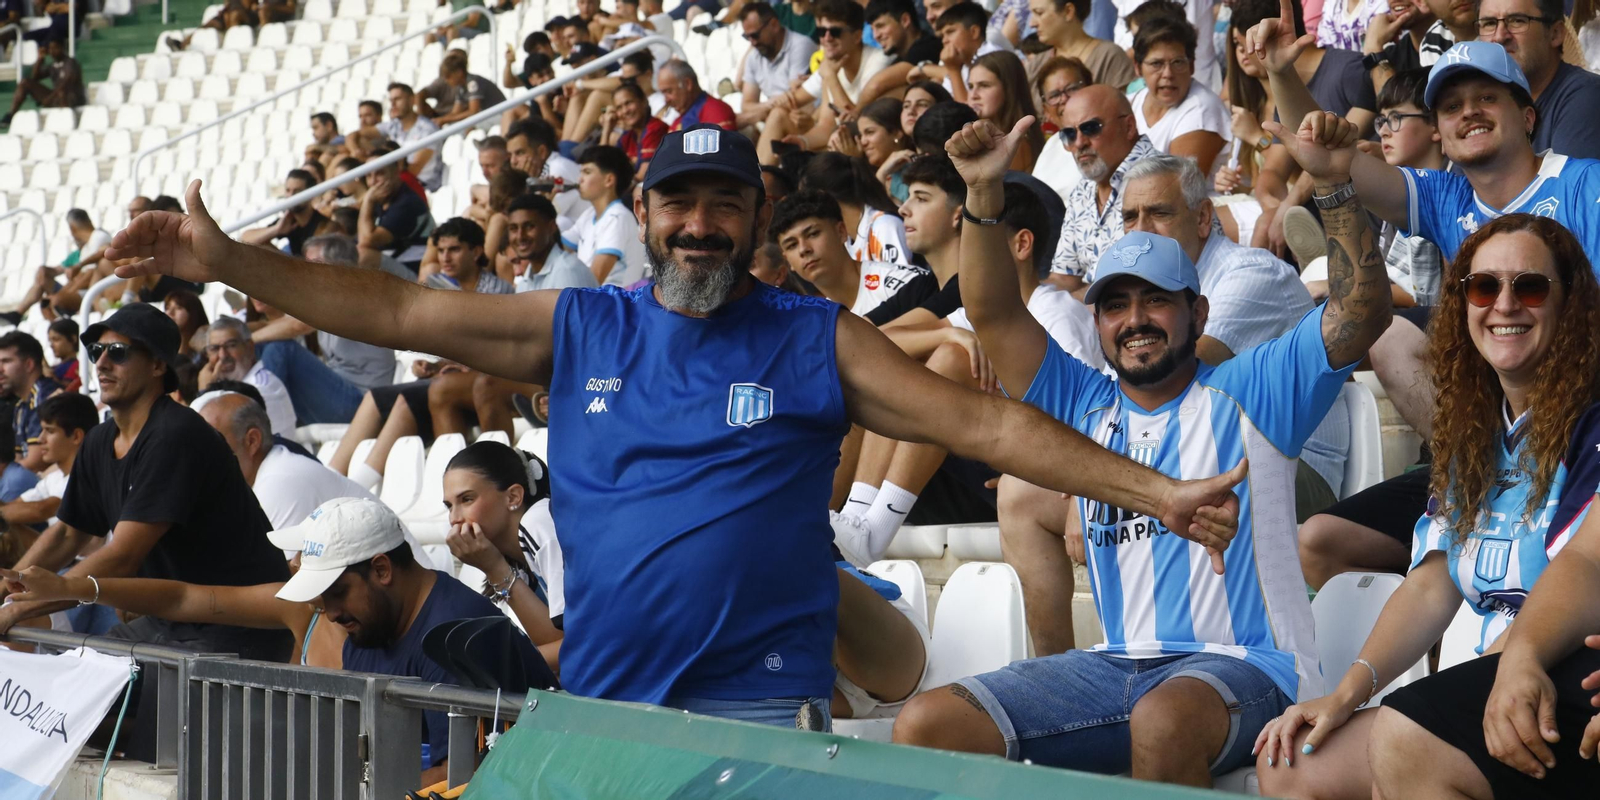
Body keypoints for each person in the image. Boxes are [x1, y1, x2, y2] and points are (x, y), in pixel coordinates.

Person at [99, 124, 1248, 727]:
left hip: (758, 710)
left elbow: (985, 428)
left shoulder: (815, 336)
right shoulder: (582, 327)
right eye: (679, 204)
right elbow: (398, 305)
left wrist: (1158, 492)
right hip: (603, 706)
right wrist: (232, 262)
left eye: (724, 205)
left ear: (751, 217)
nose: (700, 225)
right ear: (645, 215)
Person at [890, 109, 1393, 788]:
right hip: (1115, 668)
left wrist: (1333, 186)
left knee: (1162, 716)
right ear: (1094, 319)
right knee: (925, 727)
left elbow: (1362, 310)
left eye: (1155, 301)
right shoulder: (1081, 402)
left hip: (1252, 670)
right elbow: (994, 313)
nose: (1134, 320)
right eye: (1115, 305)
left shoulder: (1256, 387)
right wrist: (982, 197)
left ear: (1199, 314)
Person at [1254, 211, 1600, 797]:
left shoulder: (1590, 425)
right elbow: (1430, 583)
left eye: (1531, 286)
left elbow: (1585, 570)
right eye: (1485, 286)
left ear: (1570, 306)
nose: (1505, 304)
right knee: (1290, 762)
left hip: (1562, 673)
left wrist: (1505, 666)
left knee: (1409, 738)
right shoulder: (1475, 433)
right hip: (1488, 678)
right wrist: (1345, 694)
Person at [0, 304, 294, 750]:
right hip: (169, 621)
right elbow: (67, 533)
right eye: (96, 350)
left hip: (235, 630)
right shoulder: (101, 438)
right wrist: (11, 585)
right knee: (62, 704)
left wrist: (38, 595)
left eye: (118, 351)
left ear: (158, 364)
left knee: (150, 749)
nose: (100, 361)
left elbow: (124, 554)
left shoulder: (176, 434)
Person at [252, 235, 397, 425]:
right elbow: (283, 323)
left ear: (338, 266)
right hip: (340, 394)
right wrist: (240, 337)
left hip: (363, 404)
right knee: (261, 347)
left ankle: (258, 419)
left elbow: (298, 325)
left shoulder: (357, 294)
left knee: (282, 348)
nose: (306, 270)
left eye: (314, 263)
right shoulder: (327, 297)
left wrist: (248, 339)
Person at [442, 442, 563, 664]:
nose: (454, 518)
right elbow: (555, 643)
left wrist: (508, 665)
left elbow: (575, 648)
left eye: (467, 499)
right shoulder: (513, 555)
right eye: (449, 505)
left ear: (513, 497)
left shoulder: (539, 522)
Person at [1048, 84, 1158, 297]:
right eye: (1069, 134)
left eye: (1091, 128)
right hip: (1089, 313)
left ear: (1128, 127)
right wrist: (1030, 303)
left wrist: (1058, 310)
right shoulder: (1083, 188)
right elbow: (1063, 277)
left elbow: (1134, 281)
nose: (1079, 143)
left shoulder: (1160, 179)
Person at [759, 0, 893, 162]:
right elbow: (825, 125)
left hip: (861, 148)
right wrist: (802, 141)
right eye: (822, 31)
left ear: (857, 36)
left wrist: (830, 76)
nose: (827, 38)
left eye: (835, 32)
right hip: (835, 142)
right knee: (778, 115)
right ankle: (758, 181)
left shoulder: (878, 61)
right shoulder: (830, 64)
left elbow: (853, 120)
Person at [771, 190, 933, 316]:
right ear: (787, 261)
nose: (803, 249)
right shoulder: (818, 323)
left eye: (813, 234)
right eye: (792, 245)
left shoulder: (902, 285)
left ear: (841, 232)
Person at [1478, 0, 1600, 160]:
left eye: (1517, 21)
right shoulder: (1474, 106)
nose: (1499, 36)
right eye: (1489, 23)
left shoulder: (1588, 96)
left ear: (1555, 33)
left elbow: (1565, 184)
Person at [1130, 19, 1229, 178]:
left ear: (1191, 66)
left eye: (1177, 62)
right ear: (1138, 67)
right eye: (1156, 64)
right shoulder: (1133, 100)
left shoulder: (1202, 110)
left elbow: (1177, 189)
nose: (1168, 74)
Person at [0, 392, 95, 537]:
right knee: (9, 527)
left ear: (76, 436)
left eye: (49, 431)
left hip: (84, 559)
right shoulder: (54, 479)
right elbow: (12, 506)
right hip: (63, 556)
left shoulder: (90, 476)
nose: (40, 439)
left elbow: (41, 510)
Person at [800, 152, 912, 266]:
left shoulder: (884, 227)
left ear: (822, 196)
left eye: (809, 201)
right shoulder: (844, 240)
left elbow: (908, 282)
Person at [199, 316, 297, 434]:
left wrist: (205, 391)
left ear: (249, 347)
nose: (223, 355)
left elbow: (208, 435)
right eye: (214, 348)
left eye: (231, 345)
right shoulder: (231, 387)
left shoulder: (263, 387)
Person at [566, 146, 648, 286]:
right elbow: (552, 249)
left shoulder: (617, 218)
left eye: (587, 172)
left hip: (615, 303)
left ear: (609, 180)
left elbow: (593, 281)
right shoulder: (588, 215)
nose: (580, 179)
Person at [737, 1, 819, 129]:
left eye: (755, 35)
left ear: (774, 25)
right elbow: (746, 104)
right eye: (746, 37)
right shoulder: (754, 57)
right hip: (772, 116)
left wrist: (756, 113)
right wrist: (769, 105)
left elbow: (795, 99)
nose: (752, 43)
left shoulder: (800, 46)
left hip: (803, 119)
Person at [1026, 0, 1137, 91]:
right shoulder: (1036, 64)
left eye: (1039, 13)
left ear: (1068, 11)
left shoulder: (1109, 57)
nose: (1032, 23)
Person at [358, 147, 436, 274]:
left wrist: (368, 201)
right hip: (396, 263)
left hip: (415, 273)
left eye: (380, 173)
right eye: (368, 175)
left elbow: (366, 241)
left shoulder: (407, 203)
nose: (373, 182)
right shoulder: (383, 198)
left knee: (364, 256)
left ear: (396, 172)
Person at [967, 51, 1046, 171]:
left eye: (984, 85)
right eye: (971, 86)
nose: (973, 95)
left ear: (1009, 90)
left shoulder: (1019, 144)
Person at [1030, 56, 1092, 201]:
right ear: (1046, 110)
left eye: (1072, 89)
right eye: (1055, 95)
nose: (1064, 99)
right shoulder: (1052, 144)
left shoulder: (1106, 135)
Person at [505, 194, 598, 291]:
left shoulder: (567, 271)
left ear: (551, 227)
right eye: (513, 228)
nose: (520, 236)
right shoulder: (524, 283)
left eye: (529, 226)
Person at [0, 331, 63, 474]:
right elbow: (19, 458)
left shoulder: (45, 396)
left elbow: (35, 462)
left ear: (29, 365)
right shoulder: (21, 404)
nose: (0, 369)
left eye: (6, 361)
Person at [241, 169, 329, 257]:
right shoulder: (288, 220)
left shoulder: (326, 226)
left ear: (310, 194)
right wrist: (276, 229)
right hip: (295, 267)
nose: (291, 196)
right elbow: (246, 239)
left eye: (297, 191)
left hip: (314, 268)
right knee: (262, 243)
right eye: (288, 190)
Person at [1, 37, 84, 126]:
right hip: (56, 97)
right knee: (25, 82)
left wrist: (49, 98)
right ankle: (11, 115)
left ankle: (66, 122)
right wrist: (40, 59)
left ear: (62, 48)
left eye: (55, 48)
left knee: (62, 93)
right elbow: (34, 77)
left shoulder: (71, 63)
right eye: (50, 48)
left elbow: (66, 85)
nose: (52, 51)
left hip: (72, 98)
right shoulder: (52, 65)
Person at [376, 83, 444, 192]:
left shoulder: (428, 129)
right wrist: (356, 150)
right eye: (391, 100)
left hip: (422, 187)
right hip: (398, 184)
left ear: (412, 100)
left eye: (397, 99)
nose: (393, 104)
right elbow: (357, 135)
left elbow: (413, 170)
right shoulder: (394, 125)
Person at [419, 50, 508, 127]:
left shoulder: (473, 83)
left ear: (459, 73)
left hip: (499, 115)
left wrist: (444, 120)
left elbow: (473, 111)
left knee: (467, 128)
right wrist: (440, 120)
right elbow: (455, 112)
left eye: (448, 76)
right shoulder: (461, 87)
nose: (446, 81)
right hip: (487, 117)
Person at [600, 82, 669, 177]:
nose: (625, 111)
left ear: (644, 101)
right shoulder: (627, 137)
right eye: (619, 108)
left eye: (628, 103)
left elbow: (643, 175)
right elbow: (602, 166)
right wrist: (607, 130)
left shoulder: (655, 128)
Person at [658, 60, 737, 134]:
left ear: (687, 84)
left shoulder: (716, 111)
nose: (666, 100)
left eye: (669, 91)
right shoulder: (676, 123)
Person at [163, 289, 210, 366]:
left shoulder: (205, 341)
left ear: (193, 313)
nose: (169, 313)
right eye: (167, 308)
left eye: (178, 308)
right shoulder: (164, 345)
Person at [46, 318, 80, 393]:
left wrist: (49, 376)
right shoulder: (56, 366)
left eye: (56, 339)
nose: (51, 345)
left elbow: (67, 391)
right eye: (50, 341)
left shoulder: (76, 366)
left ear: (73, 339)